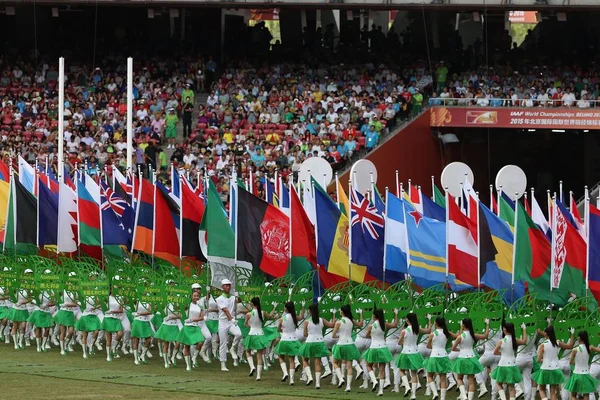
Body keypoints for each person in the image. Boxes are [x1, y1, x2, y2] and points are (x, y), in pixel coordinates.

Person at [298, 303, 336, 389]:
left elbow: (305, 334)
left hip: (309, 342)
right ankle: (318, 383)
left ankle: (310, 377)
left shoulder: (307, 322)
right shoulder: (322, 320)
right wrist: (333, 314)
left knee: (305, 359)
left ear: (310, 311)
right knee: (317, 362)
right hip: (319, 342)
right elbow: (332, 325)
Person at [531, 325, 575, 400]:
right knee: (552, 393)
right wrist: (572, 334)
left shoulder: (542, 345)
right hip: (556, 369)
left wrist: (543, 360)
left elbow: (538, 360)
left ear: (545, 334)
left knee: (541, 390)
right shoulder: (557, 342)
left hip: (545, 369)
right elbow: (570, 346)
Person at [363, 307, 399, 396]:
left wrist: (372, 335)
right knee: (382, 369)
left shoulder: (371, 326)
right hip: (383, 347)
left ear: (374, 316)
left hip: (373, 347)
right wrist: (396, 314)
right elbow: (395, 324)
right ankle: (381, 390)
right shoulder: (384, 324)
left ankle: (374, 381)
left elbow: (366, 335)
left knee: (368, 365)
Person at [452, 318, 490, 400]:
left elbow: (453, 348)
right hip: (472, 358)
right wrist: (487, 324)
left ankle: (464, 395)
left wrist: (461, 350)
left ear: (463, 325)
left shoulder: (460, 337)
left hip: (462, 358)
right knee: (471, 381)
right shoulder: (474, 335)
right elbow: (486, 336)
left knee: (459, 378)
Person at [397, 312, 432, 398]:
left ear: (407, 320)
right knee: (414, 374)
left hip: (405, 352)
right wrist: (429, 320)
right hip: (415, 352)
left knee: (401, 370)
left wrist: (403, 342)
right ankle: (413, 394)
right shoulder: (417, 329)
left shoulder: (404, 331)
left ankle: (407, 386)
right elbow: (428, 330)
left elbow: (399, 342)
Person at [331, 304, 364, 392]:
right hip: (350, 344)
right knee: (349, 366)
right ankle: (348, 386)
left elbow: (333, 335)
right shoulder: (351, 320)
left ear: (342, 311)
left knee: (334, 362)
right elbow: (361, 324)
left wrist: (339, 336)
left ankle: (341, 378)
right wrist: (361, 314)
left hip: (341, 344)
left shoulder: (338, 322)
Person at [491, 322, 528, 400]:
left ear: (504, 329)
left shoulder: (501, 341)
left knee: (498, 383)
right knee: (511, 386)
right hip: (512, 364)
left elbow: (494, 352)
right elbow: (524, 341)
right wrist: (524, 329)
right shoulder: (515, 340)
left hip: (503, 364)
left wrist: (502, 353)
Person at [424, 317, 458, 400]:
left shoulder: (433, 334)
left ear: (436, 323)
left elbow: (428, 345)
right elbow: (458, 336)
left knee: (430, 375)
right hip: (444, 355)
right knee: (443, 378)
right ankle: (442, 398)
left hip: (434, 355)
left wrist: (435, 347)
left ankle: (435, 393)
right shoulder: (447, 333)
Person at [244, 297, 276, 380]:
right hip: (260, 334)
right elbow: (270, 316)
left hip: (252, 333)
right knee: (259, 355)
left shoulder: (249, 314)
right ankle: (258, 376)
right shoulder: (262, 312)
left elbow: (245, 324)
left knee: (247, 351)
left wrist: (250, 326)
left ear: (252, 303)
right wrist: (274, 307)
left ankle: (252, 367)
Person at [275, 300, 305, 385]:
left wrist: (283, 329)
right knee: (291, 360)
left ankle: (285, 373)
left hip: (284, 339)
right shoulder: (294, 317)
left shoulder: (282, 319)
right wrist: (303, 307)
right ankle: (291, 380)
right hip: (294, 339)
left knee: (281, 357)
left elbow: (278, 329)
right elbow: (302, 316)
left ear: (286, 308)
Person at [564, 330, 600, 400]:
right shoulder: (589, 348)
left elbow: (570, 362)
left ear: (579, 338)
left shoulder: (575, 349)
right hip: (586, 374)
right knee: (586, 395)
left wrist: (576, 363)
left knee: (573, 395)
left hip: (576, 374)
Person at [217, 279, 242, 372]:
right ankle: (223, 364)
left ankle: (233, 348)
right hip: (223, 322)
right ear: (222, 287)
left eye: (229, 285)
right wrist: (231, 318)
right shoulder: (219, 299)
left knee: (239, 334)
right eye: (226, 285)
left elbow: (240, 301)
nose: (228, 287)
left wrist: (237, 295)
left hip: (231, 322)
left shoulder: (232, 297)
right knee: (223, 343)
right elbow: (225, 310)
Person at [176, 290, 205, 371]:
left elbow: (202, 317)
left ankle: (194, 358)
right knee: (187, 346)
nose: (196, 297)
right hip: (187, 327)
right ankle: (188, 365)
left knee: (200, 342)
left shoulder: (200, 306)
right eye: (194, 296)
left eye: (197, 296)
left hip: (195, 327)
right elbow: (180, 311)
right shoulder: (187, 305)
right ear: (191, 297)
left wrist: (192, 319)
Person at [27, 277, 55, 353]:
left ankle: (43, 344)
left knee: (47, 329)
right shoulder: (38, 290)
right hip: (39, 310)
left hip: (47, 312)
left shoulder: (51, 291)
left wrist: (47, 305)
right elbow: (30, 298)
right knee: (38, 328)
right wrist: (38, 304)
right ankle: (38, 346)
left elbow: (54, 302)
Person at [52, 275, 79, 355]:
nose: (69, 283)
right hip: (63, 312)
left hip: (70, 312)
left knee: (71, 331)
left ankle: (66, 344)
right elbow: (55, 298)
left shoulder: (74, 292)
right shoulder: (62, 290)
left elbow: (75, 304)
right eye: (68, 281)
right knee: (62, 331)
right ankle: (62, 349)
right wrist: (61, 303)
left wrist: (67, 305)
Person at [154, 298, 182, 369]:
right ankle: (166, 362)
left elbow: (180, 315)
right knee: (166, 344)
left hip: (175, 325)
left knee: (178, 342)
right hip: (166, 325)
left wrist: (170, 317)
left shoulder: (179, 302)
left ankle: (173, 357)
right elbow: (158, 309)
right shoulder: (166, 302)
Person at [76, 289, 103, 359]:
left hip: (93, 316)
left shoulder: (96, 294)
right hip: (85, 316)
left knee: (96, 331)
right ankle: (84, 353)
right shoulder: (83, 294)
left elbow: (101, 303)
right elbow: (79, 302)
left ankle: (91, 345)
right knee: (85, 335)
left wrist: (94, 308)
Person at [102, 285, 124, 362]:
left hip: (116, 318)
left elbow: (121, 310)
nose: (115, 289)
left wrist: (113, 311)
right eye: (113, 288)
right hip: (108, 318)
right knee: (109, 339)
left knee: (120, 334)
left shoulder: (119, 298)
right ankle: (108, 355)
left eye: (116, 288)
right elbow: (100, 303)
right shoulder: (107, 297)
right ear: (110, 289)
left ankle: (114, 347)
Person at [131, 296, 154, 366]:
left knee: (149, 340)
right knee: (136, 340)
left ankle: (142, 355)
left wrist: (139, 314)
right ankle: (136, 359)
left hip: (145, 321)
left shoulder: (149, 299)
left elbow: (149, 311)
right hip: (137, 321)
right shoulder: (137, 299)